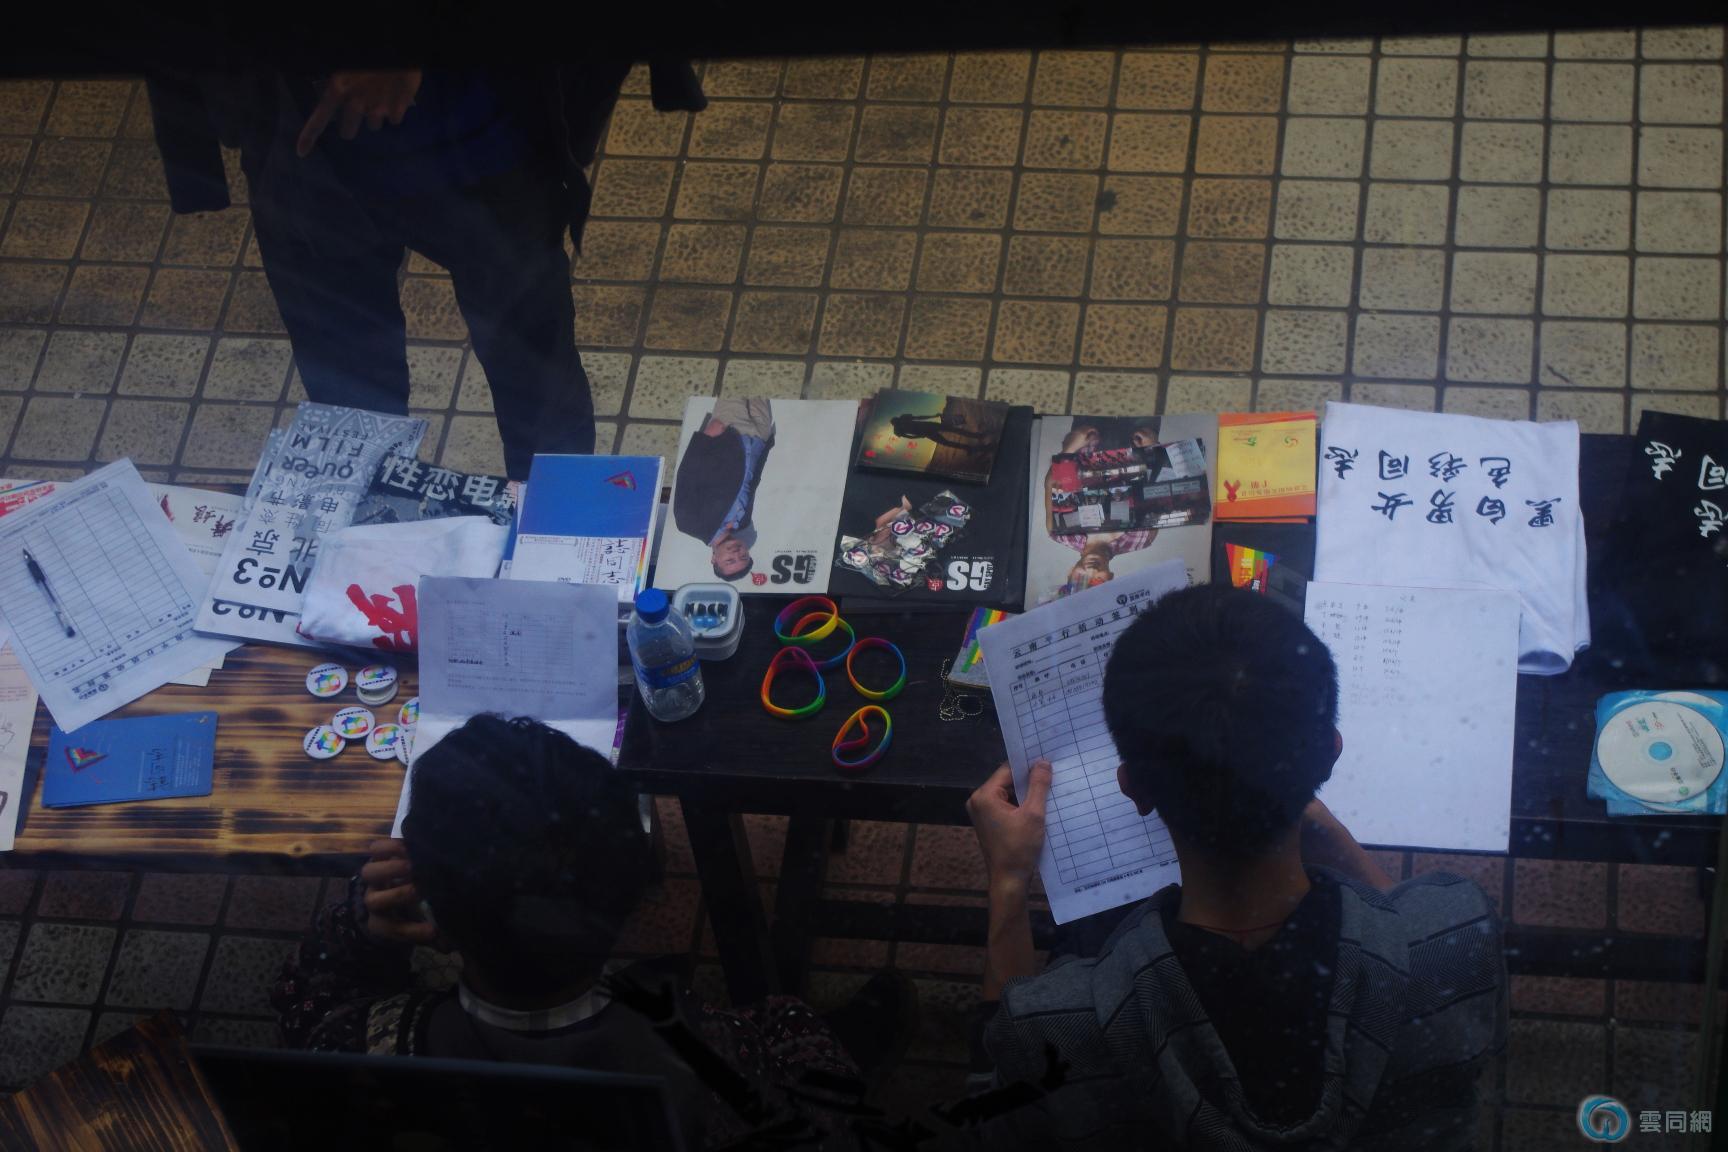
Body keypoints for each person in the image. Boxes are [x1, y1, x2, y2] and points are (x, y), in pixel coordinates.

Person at [964, 584, 1507, 1150]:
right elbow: (1408, 939)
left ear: (1134, 787)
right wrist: (1334, 837)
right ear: (1330, 752)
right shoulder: (1462, 939)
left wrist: (1008, 882)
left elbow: (993, 1109)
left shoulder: (1058, 1025)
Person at [272, 713, 916, 1148]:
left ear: (434, 917)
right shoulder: (711, 1066)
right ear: (631, 892)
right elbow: (823, 1119)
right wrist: (795, 1028)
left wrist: (360, 925)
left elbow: (306, 1001)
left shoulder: (363, 1048)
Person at [144, 63, 706, 481]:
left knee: (535, 376)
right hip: (302, 137)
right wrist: (189, 146)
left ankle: (555, 544)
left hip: (483, 132)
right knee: (351, 400)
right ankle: (371, 547)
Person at [671, 398, 775, 581]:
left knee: (734, 385)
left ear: (713, 559)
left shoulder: (690, 524)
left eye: (729, 560)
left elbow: (687, 476)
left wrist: (704, 439)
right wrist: (766, 443)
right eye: (743, 557)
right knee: (766, 386)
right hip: (759, 436)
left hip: (729, 433)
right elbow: (750, 483)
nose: (736, 553)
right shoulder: (742, 523)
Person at [888, 412, 997, 451]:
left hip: (928, 428)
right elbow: (909, 436)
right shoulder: (898, 427)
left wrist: (933, 416)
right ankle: (970, 445)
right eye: (896, 421)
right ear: (895, 422)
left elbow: (919, 418)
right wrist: (919, 436)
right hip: (928, 430)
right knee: (950, 436)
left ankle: (977, 438)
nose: (897, 421)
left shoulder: (901, 421)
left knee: (952, 433)